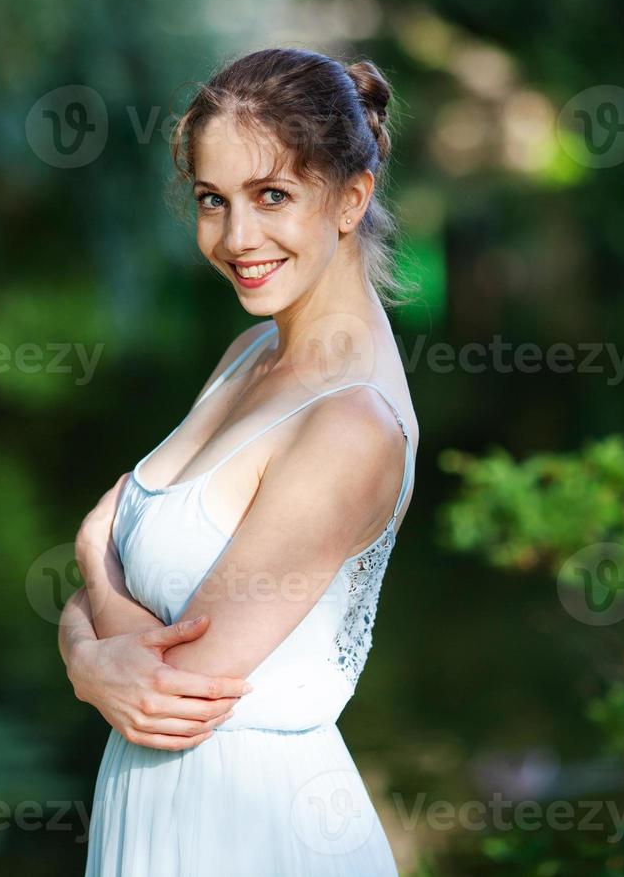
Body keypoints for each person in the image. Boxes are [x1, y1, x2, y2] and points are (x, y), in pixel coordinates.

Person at [58, 47, 418, 875]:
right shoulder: (252, 350)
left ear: (350, 198)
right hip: (159, 807)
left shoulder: (349, 424)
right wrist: (89, 657)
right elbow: (133, 660)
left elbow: (177, 685)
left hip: (251, 831)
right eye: (213, 201)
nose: (236, 237)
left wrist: (91, 568)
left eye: (272, 197)